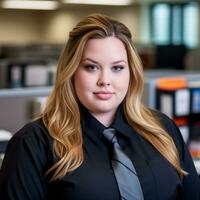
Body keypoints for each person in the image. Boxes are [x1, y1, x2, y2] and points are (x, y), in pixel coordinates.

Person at [0, 13, 199, 200]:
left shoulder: (162, 130)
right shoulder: (33, 143)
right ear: (71, 72)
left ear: (131, 73)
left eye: (117, 68)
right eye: (91, 67)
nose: (105, 80)